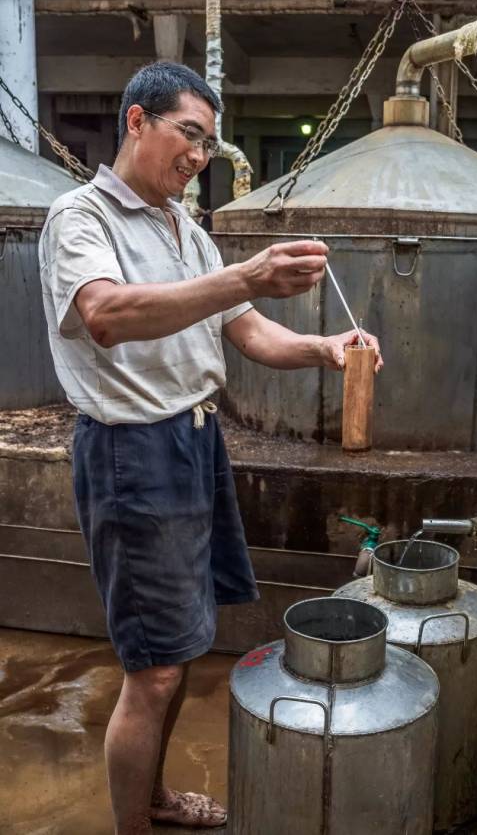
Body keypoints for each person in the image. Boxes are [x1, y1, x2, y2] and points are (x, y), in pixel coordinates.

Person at [38, 61, 382, 835]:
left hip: (195, 442)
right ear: (136, 121)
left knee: (184, 644)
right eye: (189, 135)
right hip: (132, 452)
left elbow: (247, 331)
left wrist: (326, 346)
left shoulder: (181, 227)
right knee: (153, 668)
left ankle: (154, 798)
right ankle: (135, 824)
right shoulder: (81, 217)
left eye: (209, 142)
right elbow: (107, 315)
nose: (200, 156)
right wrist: (246, 276)